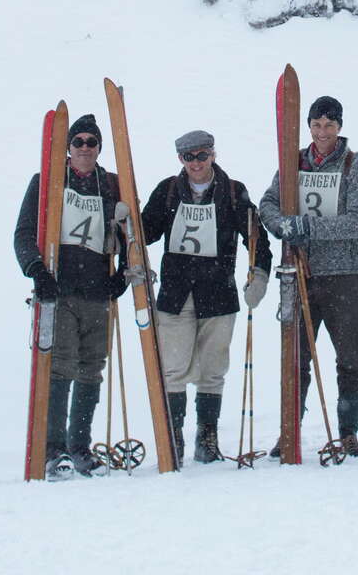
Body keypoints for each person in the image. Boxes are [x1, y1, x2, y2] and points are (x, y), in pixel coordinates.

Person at [140, 130, 272, 464]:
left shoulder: (232, 191)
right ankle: (174, 436)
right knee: (174, 368)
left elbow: (256, 237)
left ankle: (207, 435)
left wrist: (259, 274)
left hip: (218, 292)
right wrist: (126, 227)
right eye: (189, 157)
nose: (196, 163)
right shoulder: (168, 191)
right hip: (176, 293)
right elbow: (146, 233)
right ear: (180, 160)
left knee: (213, 368)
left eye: (202, 156)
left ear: (213, 154)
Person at [259, 95, 358, 457]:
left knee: (349, 358)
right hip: (300, 274)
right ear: (308, 126)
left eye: (329, 125)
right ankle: (289, 430)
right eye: (316, 125)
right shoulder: (293, 163)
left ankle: (348, 431)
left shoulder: (355, 166)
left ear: (339, 127)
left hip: (341, 273)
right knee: (296, 357)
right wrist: (283, 226)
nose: (322, 132)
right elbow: (268, 204)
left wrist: (307, 226)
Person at [14, 113, 128, 480]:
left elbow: (128, 232)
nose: (84, 148)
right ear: (67, 147)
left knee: (92, 367)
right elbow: (24, 232)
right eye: (77, 142)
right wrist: (36, 270)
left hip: (96, 291)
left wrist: (122, 274)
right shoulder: (47, 181)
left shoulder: (109, 184)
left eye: (90, 142)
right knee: (60, 366)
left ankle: (80, 446)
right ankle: (54, 449)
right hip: (59, 289)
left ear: (98, 148)